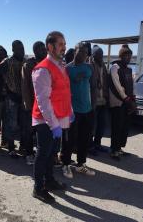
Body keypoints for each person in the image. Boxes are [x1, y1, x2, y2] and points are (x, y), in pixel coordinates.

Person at [32, 31, 71, 204]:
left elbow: (64, 91)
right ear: (50, 46)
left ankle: (50, 181)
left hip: (58, 117)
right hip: (45, 120)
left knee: (51, 154)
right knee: (43, 154)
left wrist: (70, 111)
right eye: (61, 44)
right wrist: (54, 124)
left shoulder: (60, 66)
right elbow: (43, 102)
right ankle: (38, 188)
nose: (64, 47)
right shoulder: (42, 69)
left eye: (64, 44)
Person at [60, 42, 96, 179]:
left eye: (86, 52)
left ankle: (81, 164)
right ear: (75, 51)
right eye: (80, 51)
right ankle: (65, 164)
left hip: (87, 110)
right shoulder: (66, 69)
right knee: (69, 139)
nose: (83, 54)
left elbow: (93, 87)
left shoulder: (89, 67)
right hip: (71, 111)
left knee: (84, 139)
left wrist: (93, 106)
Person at [0, 40, 25, 158]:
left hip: (23, 98)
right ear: (13, 50)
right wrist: (1, 88)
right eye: (18, 48)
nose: (21, 50)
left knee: (21, 124)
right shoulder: (8, 61)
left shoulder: (25, 61)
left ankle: (22, 147)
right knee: (11, 124)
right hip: (12, 98)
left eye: (22, 48)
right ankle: (11, 148)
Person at [108, 44, 136, 160]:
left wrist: (133, 98)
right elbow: (117, 86)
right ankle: (113, 150)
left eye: (130, 56)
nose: (128, 59)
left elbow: (132, 85)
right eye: (126, 56)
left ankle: (119, 148)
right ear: (121, 56)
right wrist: (126, 98)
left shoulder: (129, 70)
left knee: (124, 127)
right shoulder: (115, 67)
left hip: (127, 102)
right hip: (118, 102)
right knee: (117, 126)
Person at [21, 41, 47, 165]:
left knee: (43, 132)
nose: (45, 51)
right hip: (32, 105)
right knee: (29, 131)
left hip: (46, 104)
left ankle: (43, 154)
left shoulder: (48, 63)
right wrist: (28, 105)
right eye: (42, 49)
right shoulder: (28, 65)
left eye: (45, 49)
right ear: (36, 51)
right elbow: (25, 86)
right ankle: (29, 154)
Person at [89, 45, 109, 152]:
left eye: (102, 54)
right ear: (93, 55)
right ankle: (90, 146)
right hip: (93, 101)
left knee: (102, 124)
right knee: (92, 126)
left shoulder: (103, 66)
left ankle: (98, 144)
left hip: (103, 100)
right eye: (99, 54)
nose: (101, 56)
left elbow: (106, 81)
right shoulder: (89, 65)